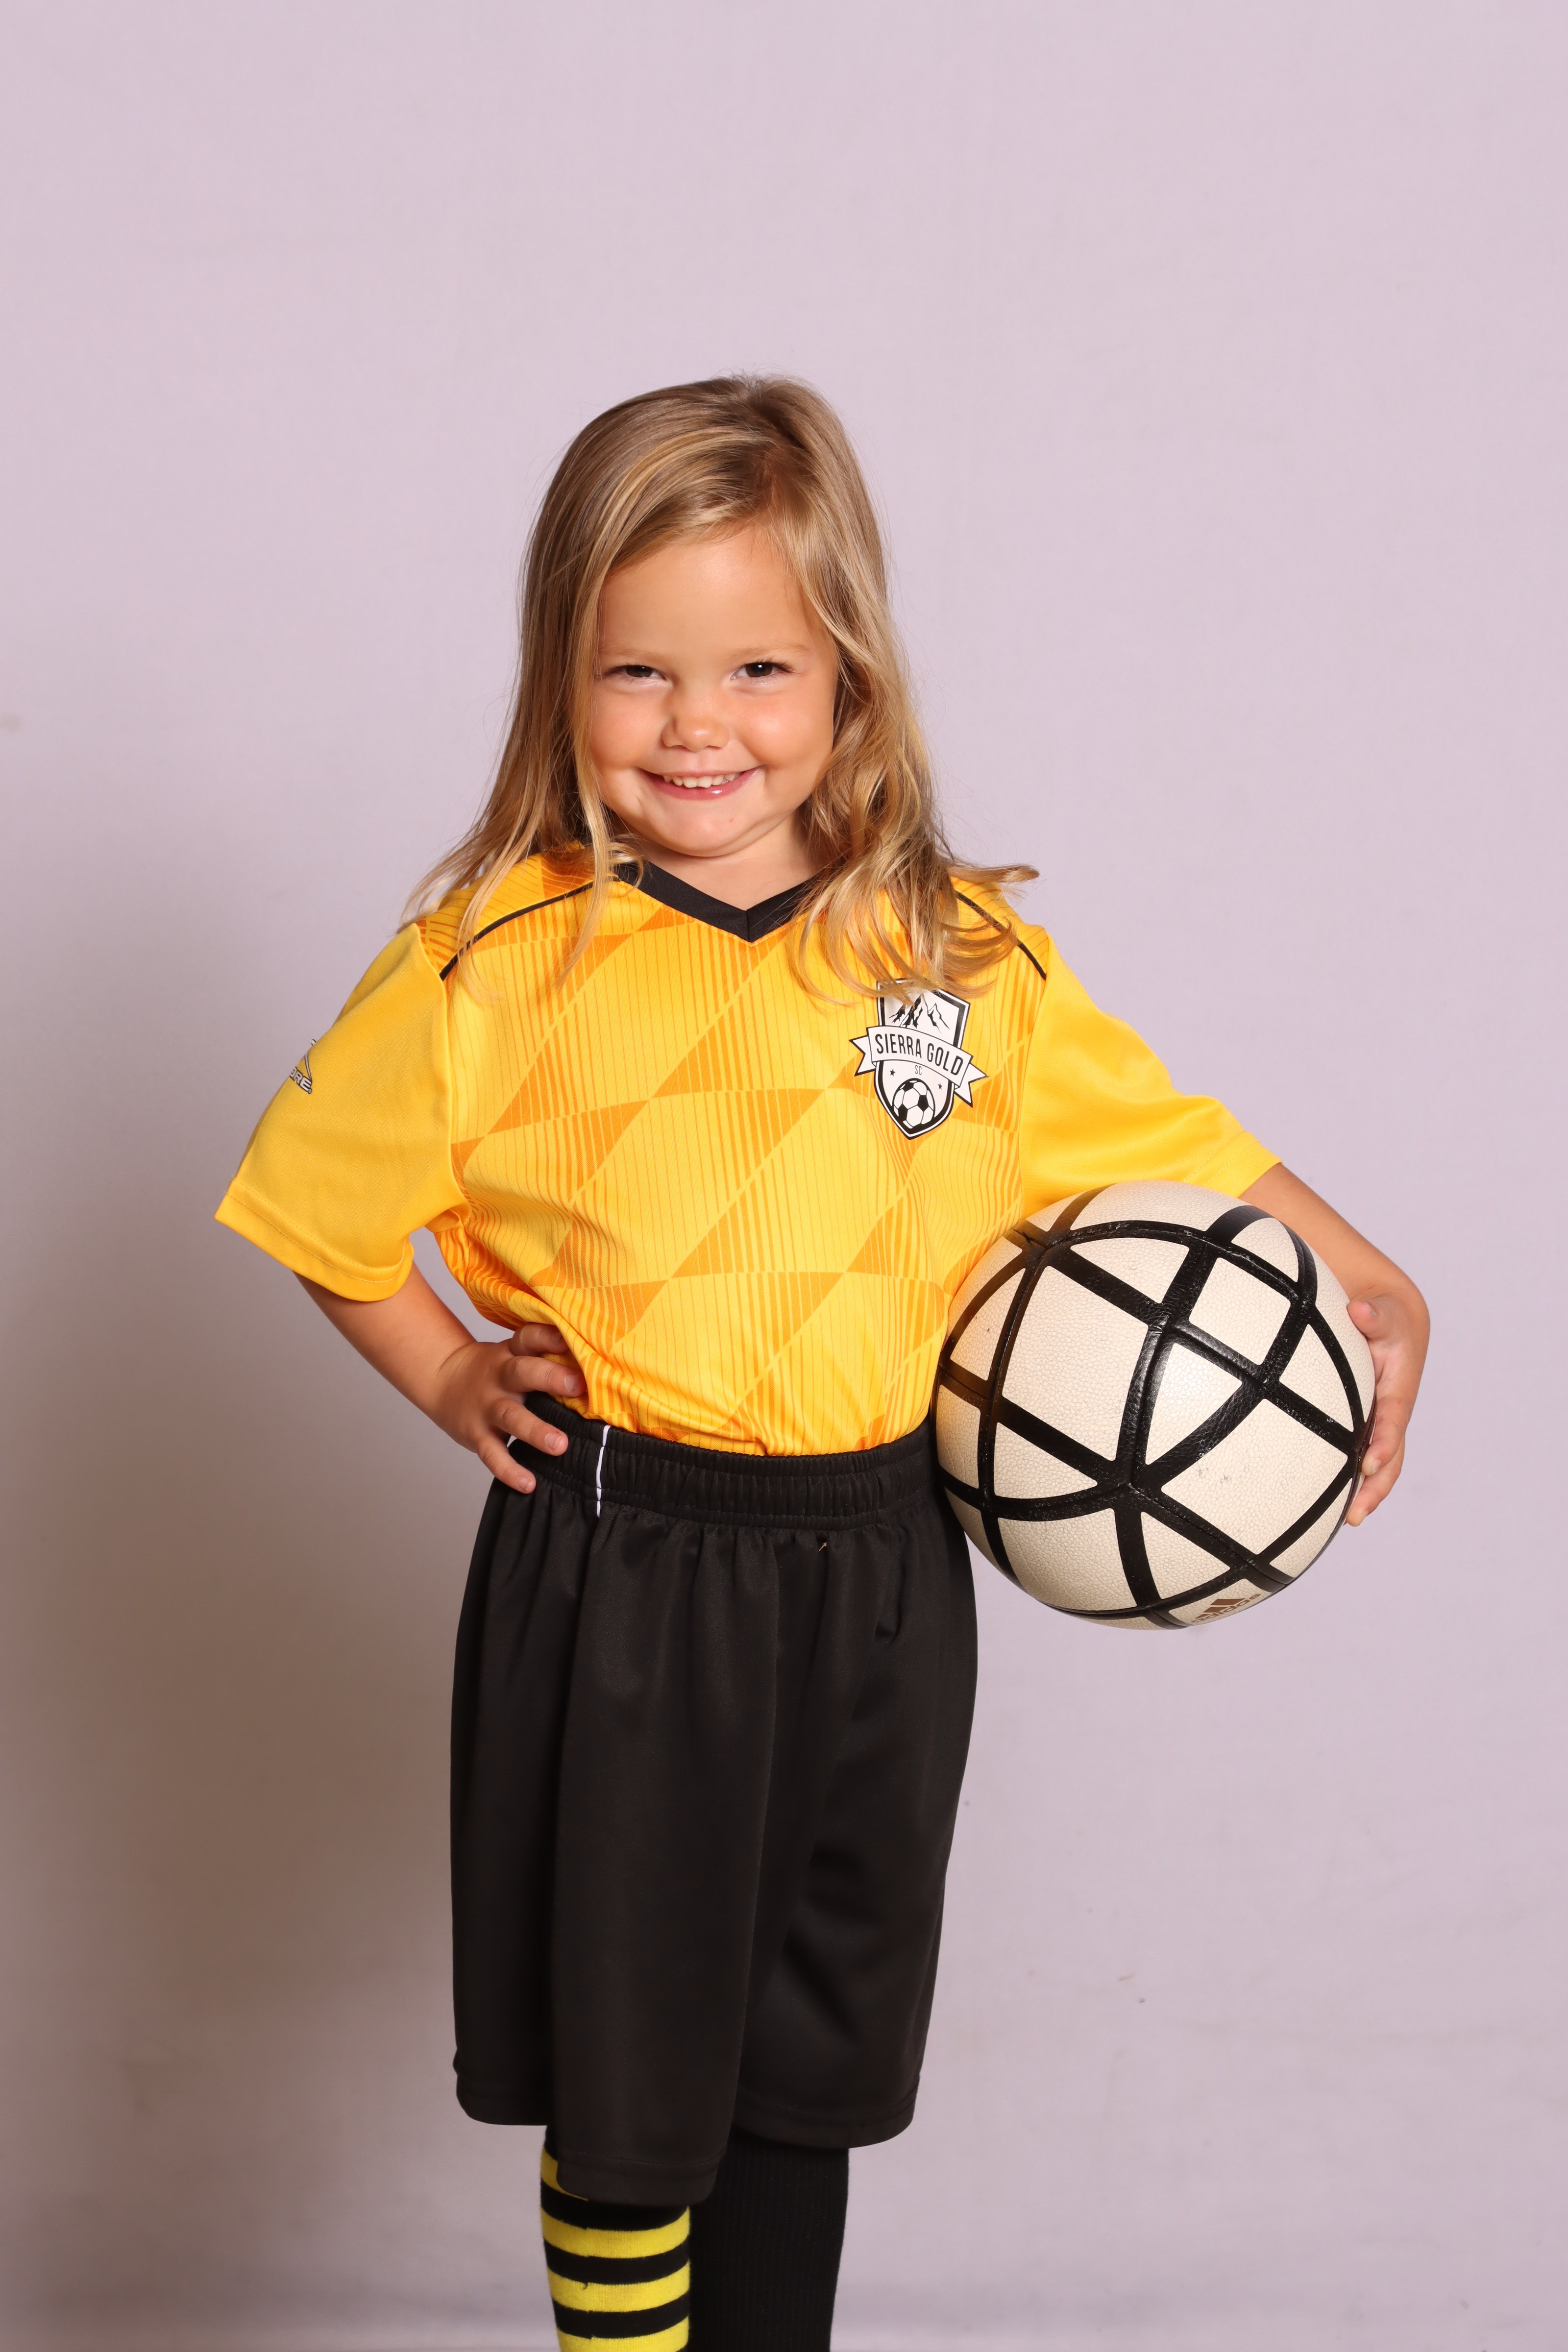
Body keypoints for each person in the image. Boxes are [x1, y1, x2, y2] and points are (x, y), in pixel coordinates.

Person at [216, 376, 1428, 2351]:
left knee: (804, 2074)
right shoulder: (496, 962)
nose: (697, 724)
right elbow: (316, 1210)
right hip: (630, 1571)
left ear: (850, 679)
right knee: (637, 2097)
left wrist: (1366, 1273)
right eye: (636, 671)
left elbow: (1169, 1145)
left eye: (757, 668)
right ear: (559, 680)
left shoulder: (955, 958)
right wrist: (444, 1375)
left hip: (881, 1567)